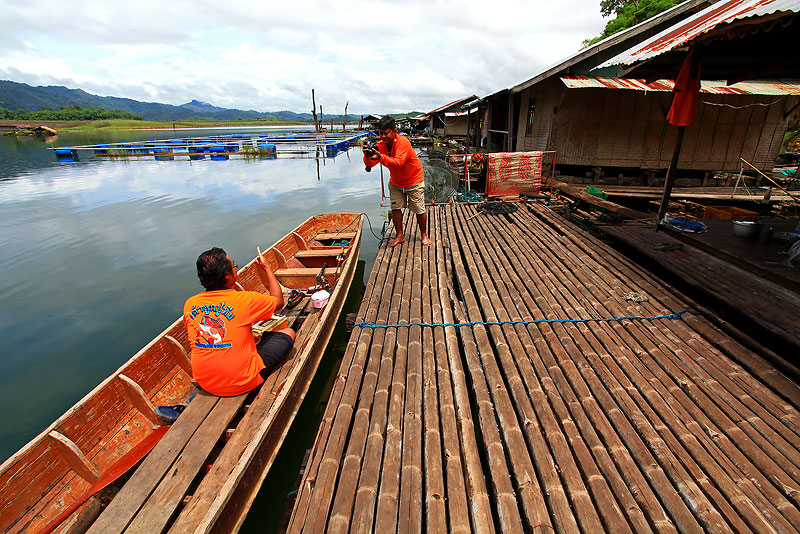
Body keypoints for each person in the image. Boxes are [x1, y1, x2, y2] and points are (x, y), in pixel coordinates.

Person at [183, 247, 296, 397]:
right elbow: (279, 301)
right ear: (228, 275)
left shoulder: (190, 304)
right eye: (233, 267)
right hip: (242, 382)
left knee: (253, 338)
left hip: (206, 383)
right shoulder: (244, 300)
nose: (235, 269)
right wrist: (266, 267)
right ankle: (258, 383)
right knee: (289, 332)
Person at [364, 115, 431, 247]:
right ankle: (400, 235)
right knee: (395, 208)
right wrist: (367, 154)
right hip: (396, 182)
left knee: (419, 209)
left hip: (414, 180)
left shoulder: (403, 142)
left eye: (386, 133)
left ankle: (424, 235)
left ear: (395, 131)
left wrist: (381, 157)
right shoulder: (381, 146)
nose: (383, 136)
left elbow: (398, 163)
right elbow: (370, 165)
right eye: (380, 133)